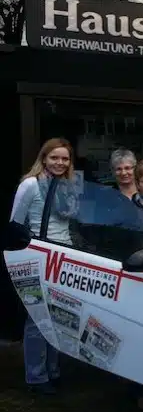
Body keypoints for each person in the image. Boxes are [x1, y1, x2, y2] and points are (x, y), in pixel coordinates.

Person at [10, 137, 79, 395]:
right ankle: (36, 377)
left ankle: (53, 369)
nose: (60, 162)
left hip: (66, 256)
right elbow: (15, 223)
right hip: (38, 254)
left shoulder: (70, 185)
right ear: (44, 158)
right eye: (55, 157)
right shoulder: (30, 185)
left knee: (59, 318)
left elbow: (73, 222)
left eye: (65, 158)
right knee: (38, 318)